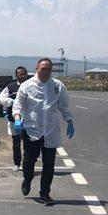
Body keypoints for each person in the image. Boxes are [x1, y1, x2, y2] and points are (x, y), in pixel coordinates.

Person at [12, 57, 75, 205]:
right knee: (29, 161)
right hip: (31, 129)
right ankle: (27, 179)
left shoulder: (58, 86)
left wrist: (70, 122)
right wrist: (17, 119)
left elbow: (64, 106)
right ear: (37, 69)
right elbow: (18, 105)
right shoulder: (27, 86)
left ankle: (45, 193)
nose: (46, 72)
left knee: (49, 164)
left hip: (51, 130)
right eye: (43, 69)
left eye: (48, 70)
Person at [0, 66, 29, 171]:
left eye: (24, 74)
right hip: (14, 120)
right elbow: (2, 98)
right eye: (20, 74)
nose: (23, 76)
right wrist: (10, 101)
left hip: (28, 120)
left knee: (28, 144)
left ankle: (27, 164)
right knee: (16, 143)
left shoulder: (31, 85)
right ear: (17, 75)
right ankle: (17, 163)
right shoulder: (10, 86)